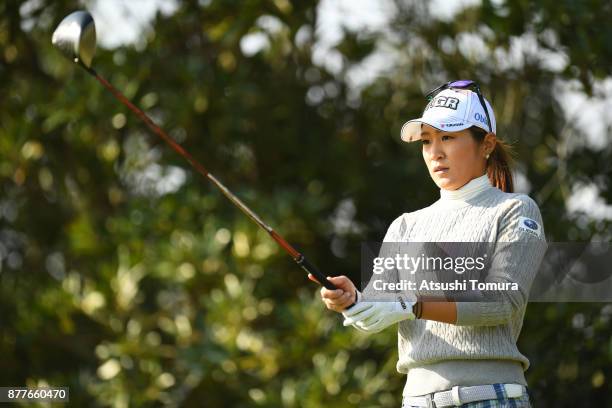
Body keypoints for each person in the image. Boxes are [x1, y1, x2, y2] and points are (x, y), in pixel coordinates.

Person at [310, 81, 547, 408]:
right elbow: (382, 303)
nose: (435, 152)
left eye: (448, 137)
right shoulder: (406, 225)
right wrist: (353, 299)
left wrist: (413, 304)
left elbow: (501, 301)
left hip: (491, 397)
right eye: (426, 141)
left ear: (487, 144)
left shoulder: (515, 211)